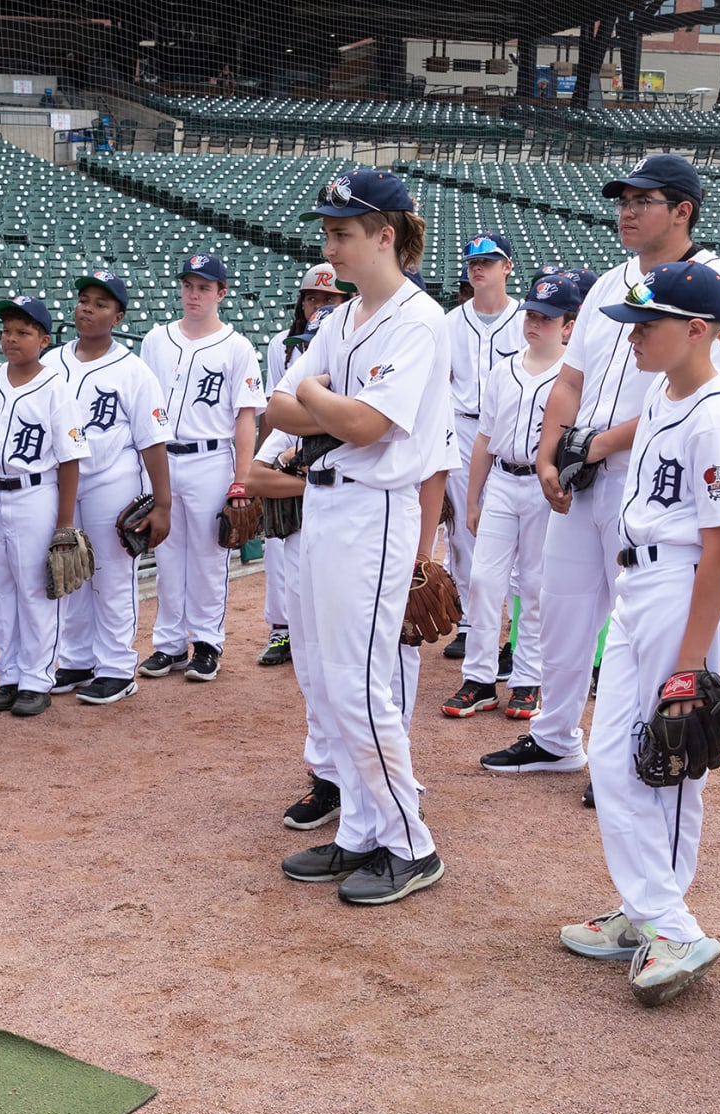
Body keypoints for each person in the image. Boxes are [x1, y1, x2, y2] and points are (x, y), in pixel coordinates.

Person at [483, 155, 720, 798]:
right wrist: (551, 455)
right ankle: (555, 738)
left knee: (633, 616)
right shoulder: (609, 282)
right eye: (623, 199)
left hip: (647, 476)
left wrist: (598, 444)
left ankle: (626, 751)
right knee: (562, 608)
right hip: (582, 470)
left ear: (683, 209)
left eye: (644, 200)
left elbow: (714, 386)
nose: (627, 210)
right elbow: (569, 378)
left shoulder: (714, 282)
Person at [555, 261, 720, 1009]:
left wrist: (691, 666)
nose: (635, 337)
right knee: (613, 760)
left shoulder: (719, 414)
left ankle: (670, 925)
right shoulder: (659, 395)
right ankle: (648, 912)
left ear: (698, 330)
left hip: (684, 586)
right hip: (642, 582)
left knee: (666, 763)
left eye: (651, 325)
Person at [267, 169, 454, 906]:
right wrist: (323, 404)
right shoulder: (341, 319)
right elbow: (279, 409)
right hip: (326, 505)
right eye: (329, 231)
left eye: (343, 233)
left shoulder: (418, 319)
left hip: (376, 508)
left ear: (386, 236)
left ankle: (412, 841)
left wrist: (316, 396)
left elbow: (367, 426)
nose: (331, 245)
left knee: (357, 684)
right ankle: (360, 833)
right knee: (319, 675)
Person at [443, 269, 582, 720]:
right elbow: (484, 437)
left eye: (546, 316)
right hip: (502, 481)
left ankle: (527, 680)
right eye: (531, 314)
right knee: (485, 580)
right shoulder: (503, 370)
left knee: (536, 586)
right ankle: (479, 678)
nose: (534, 323)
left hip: (545, 488)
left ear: (568, 326)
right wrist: (472, 499)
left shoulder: (575, 376)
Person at [139, 254, 263, 683]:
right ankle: (169, 645)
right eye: (189, 285)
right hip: (162, 459)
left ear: (221, 293)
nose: (194, 294)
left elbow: (246, 417)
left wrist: (241, 480)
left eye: (204, 287)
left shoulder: (237, 346)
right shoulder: (156, 340)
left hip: (211, 458)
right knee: (168, 555)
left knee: (210, 557)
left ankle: (207, 644)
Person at [50, 270, 172, 705]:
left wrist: (163, 503)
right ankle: (78, 659)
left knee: (112, 576)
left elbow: (153, 441)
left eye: (100, 303)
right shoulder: (50, 362)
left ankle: (118, 668)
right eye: (84, 299)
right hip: (61, 483)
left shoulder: (133, 370)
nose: (88, 308)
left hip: (111, 479)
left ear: (118, 317)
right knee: (72, 573)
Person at [0, 295, 90, 715]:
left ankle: (37, 677)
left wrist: (64, 523)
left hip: (35, 493)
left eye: (22, 332)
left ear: (43, 339)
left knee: (36, 588)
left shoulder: (56, 387)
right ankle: (9, 674)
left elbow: (71, 457)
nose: (11, 338)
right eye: (6, 331)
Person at [256, 262, 348, 668]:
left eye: (330, 299)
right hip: (300, 443)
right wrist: (295, 470)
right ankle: (283, 630)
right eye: (313, 298)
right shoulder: (282, 346)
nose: (318, 305)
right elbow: (278, 412)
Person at [441, 233, 526, 667]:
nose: (479, 267)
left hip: (513, 435)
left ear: (507, 267)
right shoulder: (449, 322)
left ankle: (514, 633)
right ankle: (472, 623)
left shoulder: (527, 320)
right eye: (473, 261)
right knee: (463, 534)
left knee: (515, 540)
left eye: (489, 261)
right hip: (461, 430)